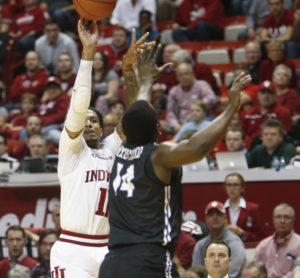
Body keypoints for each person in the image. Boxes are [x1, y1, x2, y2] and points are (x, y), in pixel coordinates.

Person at [98, 32, 251, 278]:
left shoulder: (123, 147)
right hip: (148, 261)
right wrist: (230, 108)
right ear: (156, 129)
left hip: (112, 263)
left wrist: (144, 80)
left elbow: (137, 112)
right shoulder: (159, 155)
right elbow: (198, 148)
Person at [50, 20, 154, 278]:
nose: (87, 124)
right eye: (83, 121)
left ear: (102, 127)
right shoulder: (71, 149)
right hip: (74, 248)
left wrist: (128, 70)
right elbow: (79, 105)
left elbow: (134, 115)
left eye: (93, 120)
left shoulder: (111, 148)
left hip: (110, 247)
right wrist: (88, 52)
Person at [192, 201, 246, 278]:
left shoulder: (235, 243)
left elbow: (232, 274)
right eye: (211, 215)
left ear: (225, 219)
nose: (215, 217)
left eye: (219, 214)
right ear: (206, 219)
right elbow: (196, 273)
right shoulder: (200, 245)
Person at [166, 62, 216, 134]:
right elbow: (170, 112)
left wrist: (196, 110)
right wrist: (175, 124)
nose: (184, 77)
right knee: (160, 125)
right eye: (181, 75)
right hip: (180, 123)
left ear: (193, 74)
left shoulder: (202, 85)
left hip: (200, 121)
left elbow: (211, 98)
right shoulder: (174, 91)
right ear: (177, 77)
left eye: (186, 74)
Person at [255, 203, 300, 278]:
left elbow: (297, 271)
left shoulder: (299, 243)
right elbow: (255, 267)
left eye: (286, 217)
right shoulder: (264, 244)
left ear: (293, 220)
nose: (282, 221)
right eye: (278, 217)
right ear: (273, 220)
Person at [223, 173, 265, 242]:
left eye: (236, 185)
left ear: (242, 188)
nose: (232, 188)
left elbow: (261, 238)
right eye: (229, 185)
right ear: (225, 188)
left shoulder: (253, 209)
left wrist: (242, 233)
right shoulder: (221, 210)